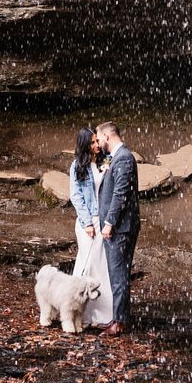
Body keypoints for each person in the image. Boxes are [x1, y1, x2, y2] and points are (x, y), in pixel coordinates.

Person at [89, 121, 140, 333]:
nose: (99, 143)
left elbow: (120, 194)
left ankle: (120, 322)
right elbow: (101, 173)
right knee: (115, 273)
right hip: (116, 227)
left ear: (108, 136)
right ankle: (117, 317)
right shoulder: (113, 157)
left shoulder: (125, 158)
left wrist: (109, 223)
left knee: (119, 274)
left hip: (121, 227)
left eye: (100, 139)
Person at [66, 125, 117, 328]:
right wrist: (87, 222)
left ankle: (102, 314)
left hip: (103, 220)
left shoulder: (106, 160)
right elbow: (76, 197)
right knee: (86, 264)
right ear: (85, 145)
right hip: (87, 222)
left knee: (100, 265)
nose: (97, 145)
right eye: (93, 142)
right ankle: (74, 310)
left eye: (97, 141)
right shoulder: (77, 166)